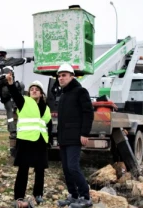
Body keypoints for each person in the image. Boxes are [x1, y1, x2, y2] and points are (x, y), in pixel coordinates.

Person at [5, 72, 52, 208]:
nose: (34, 90)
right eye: (31, 89)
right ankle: (19, 196)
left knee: (40, 169)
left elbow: (48, 125)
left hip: (41, 141)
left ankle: (38, 195)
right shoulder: (24, 102)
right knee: (23, 169)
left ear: (42, 93)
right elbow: (15, 94)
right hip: (26, 140)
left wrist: (48, 141)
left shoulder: (47, 108)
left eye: (37, 89)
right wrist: (10, 83)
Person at [56, 63, 94, 208]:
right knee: (66, 168)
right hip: (64, 138)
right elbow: (62, 119)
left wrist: (84, 133)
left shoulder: (80, 91)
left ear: (72, 76)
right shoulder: (63, 95)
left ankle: (86, 197)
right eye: (59, 76)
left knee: (73, 167)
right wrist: (59, 139)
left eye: (64, 75)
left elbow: (88, 113)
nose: (61, 78)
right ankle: (73, 195)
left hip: (75, 137)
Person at [0, 46, 34, 140]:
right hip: (10, 86)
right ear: (5, 54)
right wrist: (31, 59)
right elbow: (22, 60)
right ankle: (17, 103)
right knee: (21, 85)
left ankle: (12, 132)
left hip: (0, 91)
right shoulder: (9, 61)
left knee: (8, 110)